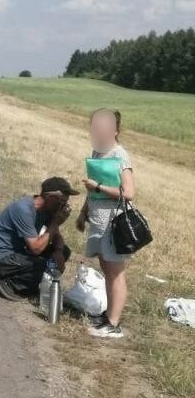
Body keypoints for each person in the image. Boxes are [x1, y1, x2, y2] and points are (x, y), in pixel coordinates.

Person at [75, 108, 136, 338]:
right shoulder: (98, 152)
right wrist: (83, 212)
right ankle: (108, 314)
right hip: (99, 220)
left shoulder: (120, 156)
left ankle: (113, 323)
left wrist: (97, 187)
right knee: (106, 269)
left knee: (116, 272)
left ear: (115, 131)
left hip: (114, 221)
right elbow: (93, 189)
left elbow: (129, 192)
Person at [0, 177, 77, 299]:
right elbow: (36, 249)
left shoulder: (47, 209)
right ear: (49, 197)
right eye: (62, 202)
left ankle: (33, 284)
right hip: (3, 258)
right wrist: (55, 223)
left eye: (66, 203)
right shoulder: (24, 209)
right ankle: (10, 283)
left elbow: (55, 235)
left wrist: (59, 251)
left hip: (21, 252)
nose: (64, 206)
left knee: (63, 251)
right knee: (43, 264)